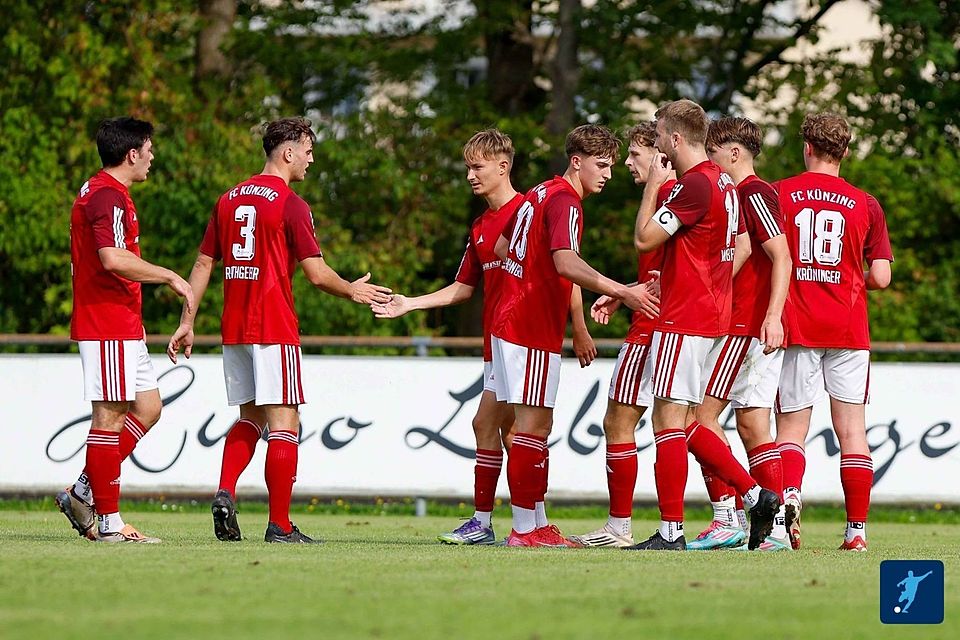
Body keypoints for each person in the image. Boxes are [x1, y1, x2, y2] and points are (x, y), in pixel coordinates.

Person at [166, 117, 391, 544]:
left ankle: (225, 491)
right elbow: (318, 274)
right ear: (287, 152)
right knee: (286, 424)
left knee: (249, 418)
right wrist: (353, 291)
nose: (310, 160)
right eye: (307, 151)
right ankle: (280, 525)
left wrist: (187, 321)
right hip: (273, 324)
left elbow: (202, 264)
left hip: (234, 327)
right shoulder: (291, 204)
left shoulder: (228, 198)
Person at [370, 129, 597, 545]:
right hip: (500, 339)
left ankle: (506, 523)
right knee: (504, 428)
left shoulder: (529, 207)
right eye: (468, 168)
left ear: (502, 166)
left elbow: (566, 268)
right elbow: (463, 288)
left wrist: (578, 328)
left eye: (477, 167)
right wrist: (411, 303)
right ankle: (521, 523)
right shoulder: (480, 225)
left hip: (524, 334)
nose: (471, 176)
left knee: (510, 427)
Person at [491, 124, 659, 547]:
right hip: (529, 324)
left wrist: (527, 274)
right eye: (601, 165)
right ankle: (525, 529)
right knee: (532, 429)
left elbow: (502, 246)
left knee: (530, 427)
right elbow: (566, 263)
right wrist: (623, 291)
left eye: (612, 166)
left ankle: (532, 525)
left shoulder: (540, 192)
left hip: (513, 318)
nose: (607, 174)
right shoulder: (566, 202)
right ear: (577, 161)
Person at [629, 100, 780, 551]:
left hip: (684, 317)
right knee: (693, 421)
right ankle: (755, 495)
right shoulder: (725, 184)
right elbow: (737, 247)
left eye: (658, 135)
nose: (656, 144)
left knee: (667, 422)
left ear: (675, 139)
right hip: (715, 317)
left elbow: (644, 239)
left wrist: (653, 188)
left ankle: (672, 531)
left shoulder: (692, 185)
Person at [57, 116, 194, 543]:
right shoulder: (107, 196)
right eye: (149, 149)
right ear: (131, 154)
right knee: (110, 417)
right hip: (106, 320)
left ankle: (83, 490)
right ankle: (111, 524)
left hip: (122, 321)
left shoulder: (104, 192)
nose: (153, 157)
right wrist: (170, 276)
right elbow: (112, 258)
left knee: (148, 407)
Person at [773, 112, 893, 552]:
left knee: (791, 430)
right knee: (853, 433)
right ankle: (856, 532)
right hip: (848, 328)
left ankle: (788, 514)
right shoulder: (866, 203)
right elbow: (880, 277)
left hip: (796, 326)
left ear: (807, 147)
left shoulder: (780, 192)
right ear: (844, 152)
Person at [686, 116, 793, 551]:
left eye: (712, 152)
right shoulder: (738, 196)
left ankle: (729, 515)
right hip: (746, 323)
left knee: (697, 419)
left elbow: (781, 255)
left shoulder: (751, 191)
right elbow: (745, 250)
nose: (708, 160)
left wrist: (772, 315)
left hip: (743, 325)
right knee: (752, 426)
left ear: (733, 152)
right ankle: (777, 531)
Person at [570, 122, 677, 548]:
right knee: (689, 425)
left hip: (652, 328)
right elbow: (665, 269)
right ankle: (733, 512)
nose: (626, 164)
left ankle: (619, 527)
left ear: (661, 156)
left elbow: (673, 262)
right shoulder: (684, 194)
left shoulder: (668, 196)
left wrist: (634, 297)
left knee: (619, 420)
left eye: (635, 154)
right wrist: (622, 295)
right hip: (665, 320)